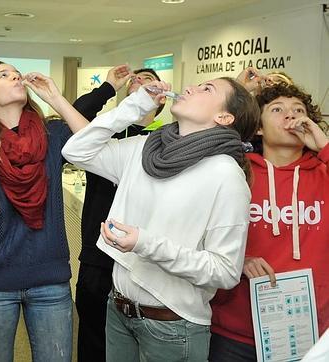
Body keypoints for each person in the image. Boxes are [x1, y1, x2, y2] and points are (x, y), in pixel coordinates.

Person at [61, 77, 260, 360]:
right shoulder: (144, 149)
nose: (191, 87)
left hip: (173, 326)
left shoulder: (225, 174)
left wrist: (146, 244)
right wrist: (135, 105)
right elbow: (75, 151)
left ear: (224, 117)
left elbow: (225, 271)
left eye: (207, 89)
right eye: (197, 83)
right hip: (118, 308)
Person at [0, 61, 89, 361]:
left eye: (16, 72)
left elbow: (92, 143)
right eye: (4, 74)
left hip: (50, 279)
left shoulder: (51, 133)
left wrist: (55, 98)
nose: (15, 75)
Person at [210, 83, 328, 361]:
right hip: (235, 332)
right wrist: (239, 260)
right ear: (258, 127)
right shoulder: (234, 173)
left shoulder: (323, 174)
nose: (291, 116)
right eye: (277, 110)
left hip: (311, 333)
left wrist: (323, 145)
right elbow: (198, 235)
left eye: (298, 110)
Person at [72, 65, 165, 362]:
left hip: (141, 257)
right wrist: (109, 86)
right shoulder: (106, 130)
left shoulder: (166, 139)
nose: (139, 81)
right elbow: (76, 114)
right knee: (92, 338)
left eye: (147, 79)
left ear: (161, 97)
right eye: (134, 80)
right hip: (98, 254)